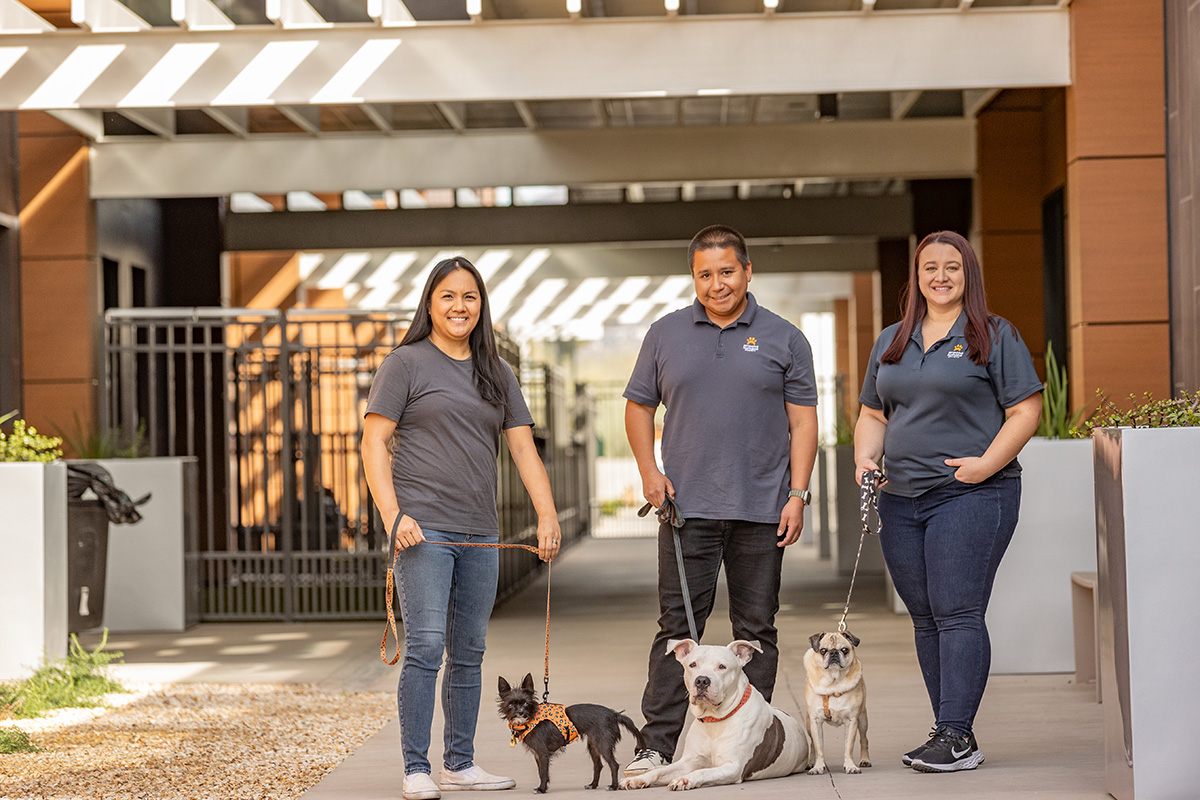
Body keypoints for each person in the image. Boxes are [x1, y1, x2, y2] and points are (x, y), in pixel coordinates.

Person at [621, 224, 819, 776]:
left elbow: (804, 423)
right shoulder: (665, 334)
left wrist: (798, 493)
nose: (717, 284)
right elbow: (639, 408)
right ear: (694, 276)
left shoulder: (785, 338)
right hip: (687, 510)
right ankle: (656, 745)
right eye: (705, 274)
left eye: (727, 272)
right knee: (677, 631)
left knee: (755, 631)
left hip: (763, 509)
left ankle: (753, 741)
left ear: (748, 271)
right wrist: (649, 472)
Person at [361, 256, 561, 800]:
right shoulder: (405, 363)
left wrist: (546, 513)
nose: (459, 306)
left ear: (481, 305)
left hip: (481, 534)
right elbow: (373, 443)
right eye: (447, 296)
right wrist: (393, 514)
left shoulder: (496, 372)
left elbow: (522, 448)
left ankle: (460, 763)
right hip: (421, 532)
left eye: (469, 296)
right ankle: (415, 768)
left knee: (469, 650)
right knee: (426, 646)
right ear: (430, 303)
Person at [853, 230, 1042, 773]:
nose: (940, 276)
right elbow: (873, 414)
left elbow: (1025, 411)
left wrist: (985, 464)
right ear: (916, 276)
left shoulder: (993, 334)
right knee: (926, 618)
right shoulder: (892, 339)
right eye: (930, 267)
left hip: (971, 493)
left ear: (968, 275)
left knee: (958, 612)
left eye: (952, 267)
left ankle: (955, 734)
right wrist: (867, 459)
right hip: (900, 497)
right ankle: (951, 733)